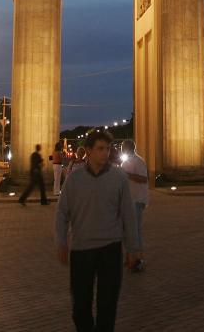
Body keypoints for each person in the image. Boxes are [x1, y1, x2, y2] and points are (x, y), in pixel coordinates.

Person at [56, 130, 140, 332]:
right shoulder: (74, 179)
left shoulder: (119, 177)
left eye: (108, 149)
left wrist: (132, 248)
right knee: (80, 307)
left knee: (107, 306)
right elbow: (61, 213)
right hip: (81, 250)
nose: (105, 153)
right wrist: (61, 242)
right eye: (100, 149)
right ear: (88, 151)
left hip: (110, 249)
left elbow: (128, 214)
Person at [120, 139, 149, 272]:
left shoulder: (139, 161)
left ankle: (138, 259)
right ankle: (129, 257)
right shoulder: (125, 161)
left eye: (123, 147)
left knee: (135, 230)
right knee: (127, 231)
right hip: (128, 201)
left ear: (129, 148)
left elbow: (144, 179)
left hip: (137, 200)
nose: (121, 149)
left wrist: (126, 175)